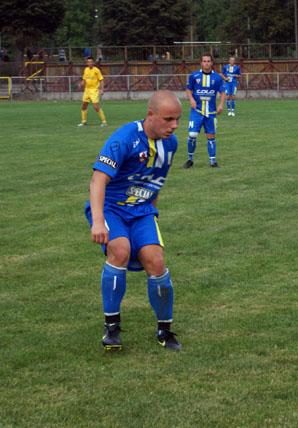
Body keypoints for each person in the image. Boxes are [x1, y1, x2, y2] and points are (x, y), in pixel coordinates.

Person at [85, 90, 183, 352]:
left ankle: (165, 329)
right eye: (168, 119)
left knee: (156, 260)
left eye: (177, 120)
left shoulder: (170, 144)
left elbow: (154, 182)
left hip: (141, 211)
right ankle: (112, 329)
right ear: (150, 115)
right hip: (111, 209)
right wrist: (97, 221)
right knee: (120, 250)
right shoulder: (124, 138)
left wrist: (153, 213)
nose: (174, 126)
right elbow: (97, 180)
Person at [182, 53, 225, 168]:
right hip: (196, 111)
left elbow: (222, 92)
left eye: (208, 61)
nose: (206, 63)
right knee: (192, 134)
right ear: (201, 63)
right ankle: (190, 159)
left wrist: (221, 105)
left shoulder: (217, 77)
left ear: (212, 63)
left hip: (211, 113)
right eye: (204, 61)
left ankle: (213, 161)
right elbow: (188, 89)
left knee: (211, 136)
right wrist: (191, 100)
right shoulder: (194, 76)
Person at [78, 56, 107, 127]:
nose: (90, 63)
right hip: (87, 90)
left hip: (94, 90)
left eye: (91, 62)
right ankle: (84, 121)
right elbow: (84, 79)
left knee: (96, 107)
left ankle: (104, 122)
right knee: (84, 106)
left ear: (93, 63)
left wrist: (102, 89)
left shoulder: (96, 70)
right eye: (88, 62)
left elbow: (101, 80)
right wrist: (81, 84)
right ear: (87, 63)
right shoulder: (86, 70)